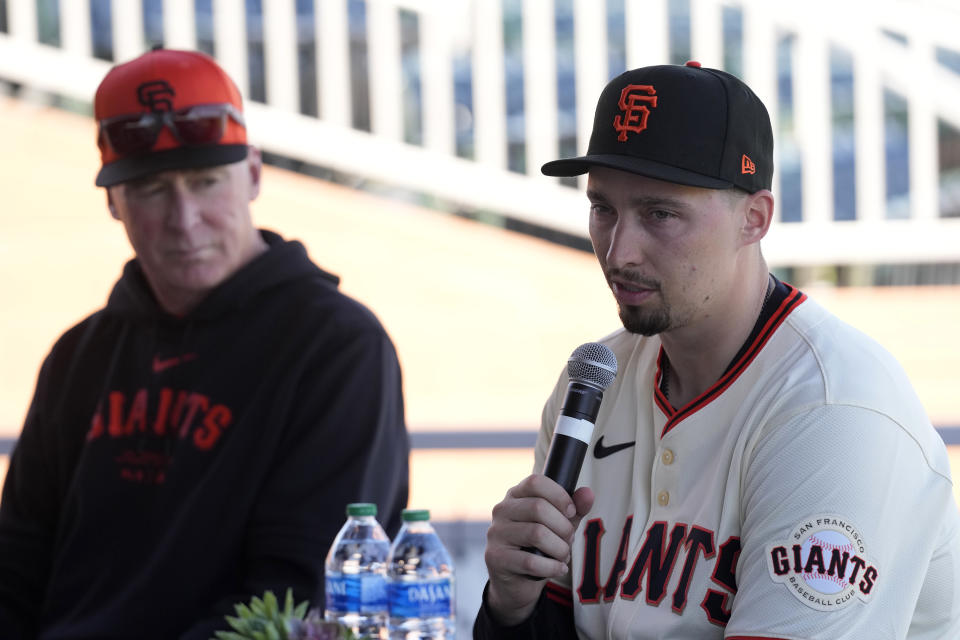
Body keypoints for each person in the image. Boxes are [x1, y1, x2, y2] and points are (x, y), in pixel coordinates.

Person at [475, 61, 960, 638]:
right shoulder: (594, 382)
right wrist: (512, 603)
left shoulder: (835, 412)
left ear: (753, 219)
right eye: (603, 208)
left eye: (660, 213)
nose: (619, 250)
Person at [0, 48, 409, 639]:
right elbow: (16, 563)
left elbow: (295, 600)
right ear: (114, 203)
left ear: (253, 175)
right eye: (151, 189)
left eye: (205, 181)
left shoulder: (338, 348)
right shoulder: (78, 355)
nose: (184, 219)